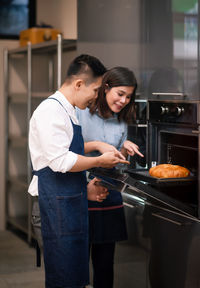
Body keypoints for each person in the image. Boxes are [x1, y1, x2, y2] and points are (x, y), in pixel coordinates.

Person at [28, 55, 129, 288]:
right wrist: (99, 161)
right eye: (95, 90)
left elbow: (64, 148)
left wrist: (94, 149)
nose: (96, 97)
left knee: (75, 277)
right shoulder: (50, 111)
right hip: (53, 207)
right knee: (64, 279)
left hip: (68, 204)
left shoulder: (68, 110)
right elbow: (59, 160)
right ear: (79, 84)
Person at [76, 66, 144, 288]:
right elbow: (67, 150)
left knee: (105, 263)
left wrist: (124, 149)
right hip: (82, 191)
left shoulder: (121, 119)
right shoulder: (81, 112)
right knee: (77, 263)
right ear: (106, 88)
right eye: (120, 94)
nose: (124, 101)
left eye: (128, 97)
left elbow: (115, 158)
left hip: (109, 194)